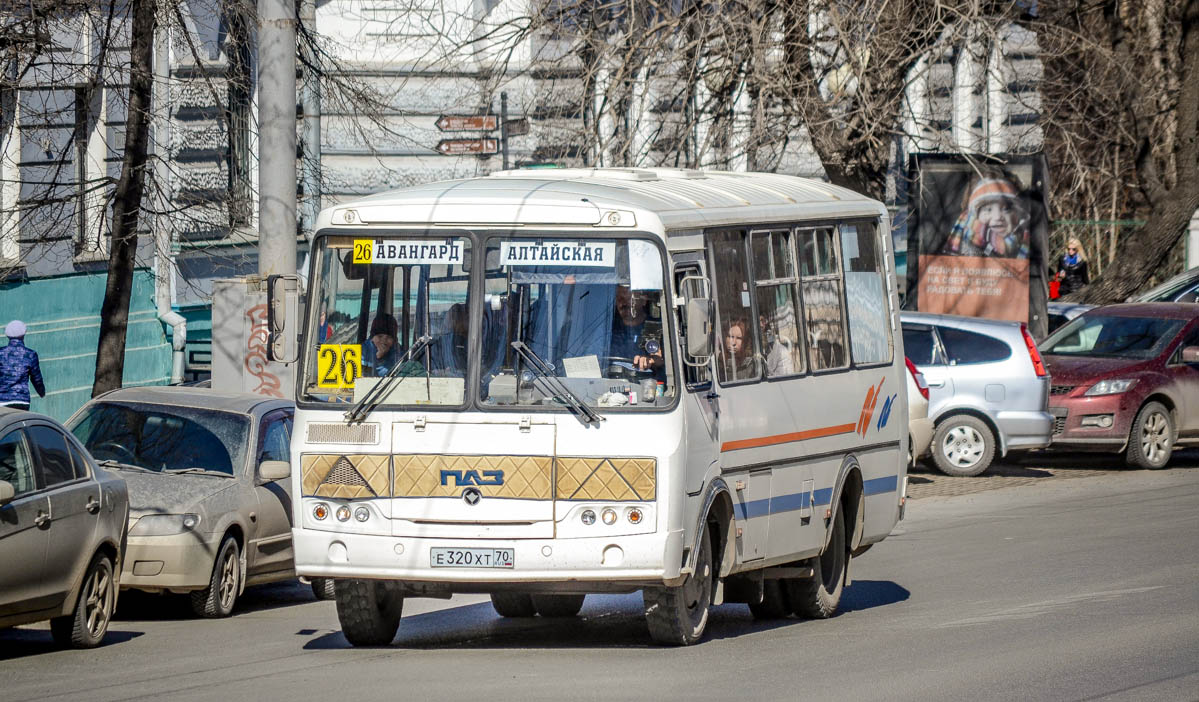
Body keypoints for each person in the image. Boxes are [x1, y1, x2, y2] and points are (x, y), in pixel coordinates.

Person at [941, 174, 1030, 259]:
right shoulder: (966, 249)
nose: (997, 217)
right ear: (975, 216)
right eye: (988, 210)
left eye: (1006, 209)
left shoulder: (1026, 245)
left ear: (1017, 216)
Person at [609, 285, 662, 373]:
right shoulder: (608, 330)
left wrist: (651, 361)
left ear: (644, 300)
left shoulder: (657, 328)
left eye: (628, 298)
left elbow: (663, 360)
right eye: (619, 298)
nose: (623, 303)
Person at [0, 320, 46, 411]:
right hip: (22, 401)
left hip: (2, 400)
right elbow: (36, 379)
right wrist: (42, 393)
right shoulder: (30, 354)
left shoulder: (1, 353)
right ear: (24, 334)